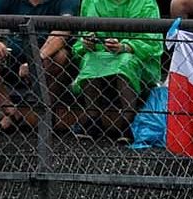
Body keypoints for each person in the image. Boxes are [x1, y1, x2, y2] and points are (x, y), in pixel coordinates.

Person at [0, 0, 79, 134]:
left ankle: (46, 113)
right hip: (14, 57)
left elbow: (62, 32)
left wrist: (35, 62)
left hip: (47, 58)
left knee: (60, 56)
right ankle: (11, 113)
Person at [68, 0, 162, 140]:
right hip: (101, 54)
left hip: (138, 58)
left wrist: (125, 47)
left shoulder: (146, 3)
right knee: (90, 59)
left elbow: (152, 42)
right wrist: (87, 43)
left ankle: (128, 122)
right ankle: (92, 120)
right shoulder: (91, 2)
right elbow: (81, 40)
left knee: (125, 62)